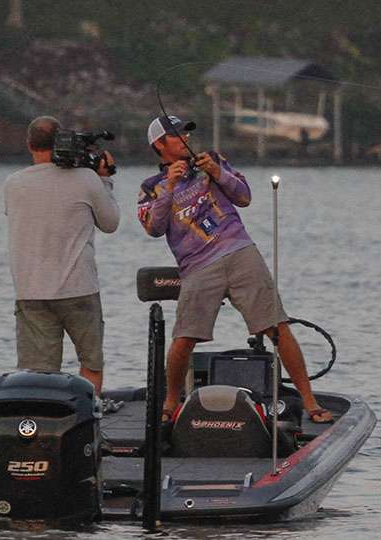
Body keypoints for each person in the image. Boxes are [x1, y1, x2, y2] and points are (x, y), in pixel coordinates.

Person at [137, 114, 334, 424]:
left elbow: (244, 197)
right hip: (197, 266)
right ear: (159, 145)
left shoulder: (213, 159)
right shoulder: (151, 187)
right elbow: (153, 228)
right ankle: (171, 401)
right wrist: (171, 186)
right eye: (177, 135)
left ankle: (310, 402)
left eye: (187, 133)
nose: (185, 139)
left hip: (240, 251)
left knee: (276, 328)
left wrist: (217, 172)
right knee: (185, 338)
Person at [4, 115, 120, 393]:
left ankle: (37, 429)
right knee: (91, 364)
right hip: (78, 288)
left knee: (36, 374)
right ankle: (88, 421)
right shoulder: (86, 179)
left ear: (29, 144)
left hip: (30, 290)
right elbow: (110, 223)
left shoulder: (12, 183)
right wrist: (104, 180)